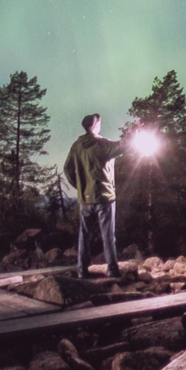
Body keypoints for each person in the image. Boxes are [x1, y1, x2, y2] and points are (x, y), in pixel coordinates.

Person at [63, 114, 124, 278]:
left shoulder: (77, 146)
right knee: (108, 236)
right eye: (99, 122)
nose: (101, 124)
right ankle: (112, 270)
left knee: (84, 236)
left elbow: (67, 169)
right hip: (104, 197)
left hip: (85, 198)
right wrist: (134, 133)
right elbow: (122, 147)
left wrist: (80, 186)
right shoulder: (102, 144)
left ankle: (82, 270)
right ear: (94, 126)